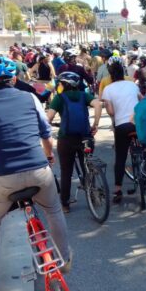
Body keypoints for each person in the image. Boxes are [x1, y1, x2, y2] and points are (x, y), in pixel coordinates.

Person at [0, 55, 70, 291]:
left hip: (4, 179)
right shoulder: (29, 98)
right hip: (39, 172)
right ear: (14, 78)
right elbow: (46, 133)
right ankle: (65, 260)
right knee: (54, 211)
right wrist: (48, 155)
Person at [46, 72, 102, 212]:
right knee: (88, 167)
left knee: (66, 171)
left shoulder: (59, 98)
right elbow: (98, 105)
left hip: (66, 139)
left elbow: (48, 118)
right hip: (85, 136)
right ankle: (93, 196)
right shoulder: (84, 95)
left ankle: (65, 204)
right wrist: (95, 124)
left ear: (64, 84)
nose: (58, 86)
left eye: (59, 83)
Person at [102, 60, 141, 204]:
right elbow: (141, 100)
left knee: (120, 157)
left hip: (122, 126)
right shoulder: (132, 85)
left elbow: (111, 111)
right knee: (144, 146)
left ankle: (118, 189)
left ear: (111, 75)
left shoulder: (108, 89)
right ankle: (144, 170)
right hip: (138, 124)